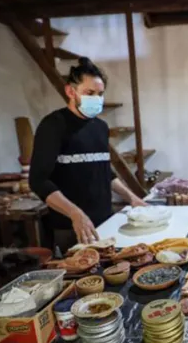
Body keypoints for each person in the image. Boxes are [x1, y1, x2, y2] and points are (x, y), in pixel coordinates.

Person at [30, 57, 146, 250]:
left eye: (100, 94)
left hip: (105, 221)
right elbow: (38, 181)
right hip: (72, 227)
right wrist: (75, 213)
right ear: (70, 91)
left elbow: (104, 172)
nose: (96, 99)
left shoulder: (100, 127)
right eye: (89, 93)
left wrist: (131, 198)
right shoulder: (53, 125)